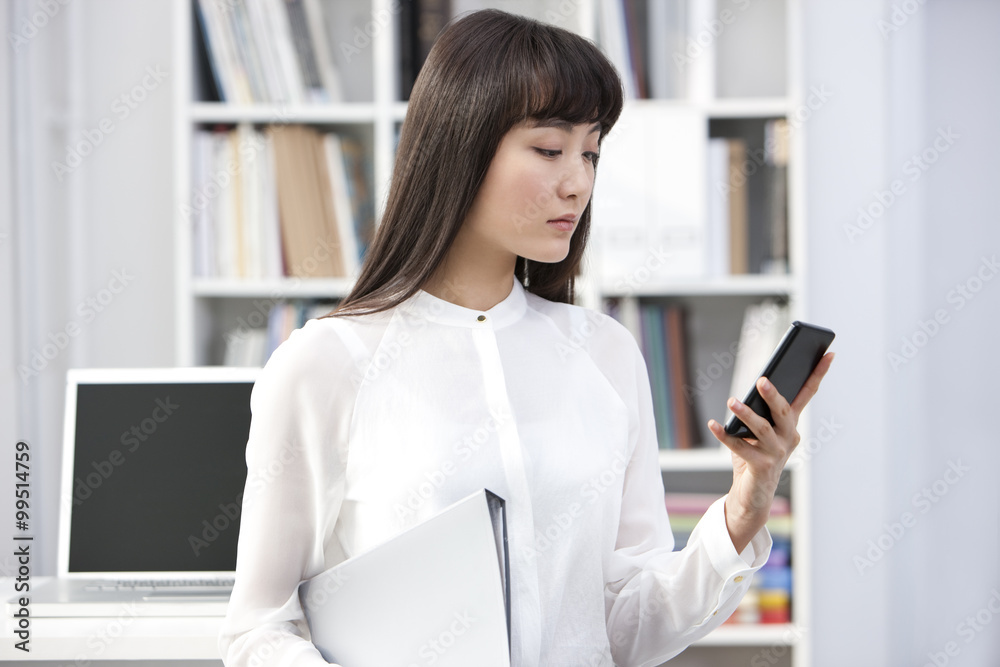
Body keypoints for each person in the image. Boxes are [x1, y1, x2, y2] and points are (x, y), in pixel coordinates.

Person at [218, 8, 833, 667]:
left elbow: (627, 626)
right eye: (549, 149)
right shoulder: (325, 365)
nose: (577, 181)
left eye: (591, 152)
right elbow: (259, 629)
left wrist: (745, 503)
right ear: (462, 144)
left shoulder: (605, 353)